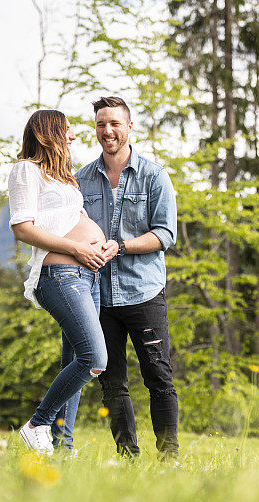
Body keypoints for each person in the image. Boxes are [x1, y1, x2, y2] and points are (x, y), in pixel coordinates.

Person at [8, 109, 119, 455]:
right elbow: (22, 227)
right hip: (61, 274)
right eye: (67, 131)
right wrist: (77, 248)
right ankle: (37, 424)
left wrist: (103, 245)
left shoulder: (63, 177)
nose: (73, 137)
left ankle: (63, 447)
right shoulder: (26, 169)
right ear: (49, 133)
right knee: (95, 358)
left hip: (88, 274)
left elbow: (74, 218)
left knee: (75, 360)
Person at [76, 96, 179, 458]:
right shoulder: (81, 180)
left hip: (144, 293)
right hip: (97, 297)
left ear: (130, 126)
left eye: (115, 124)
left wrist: (121, 246)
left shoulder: (155, 176)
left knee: (159, 379)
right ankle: (128, 459)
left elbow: (165, 234)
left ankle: (169, 460)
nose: (108, 131)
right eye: (102, 124)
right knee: (111, 383)